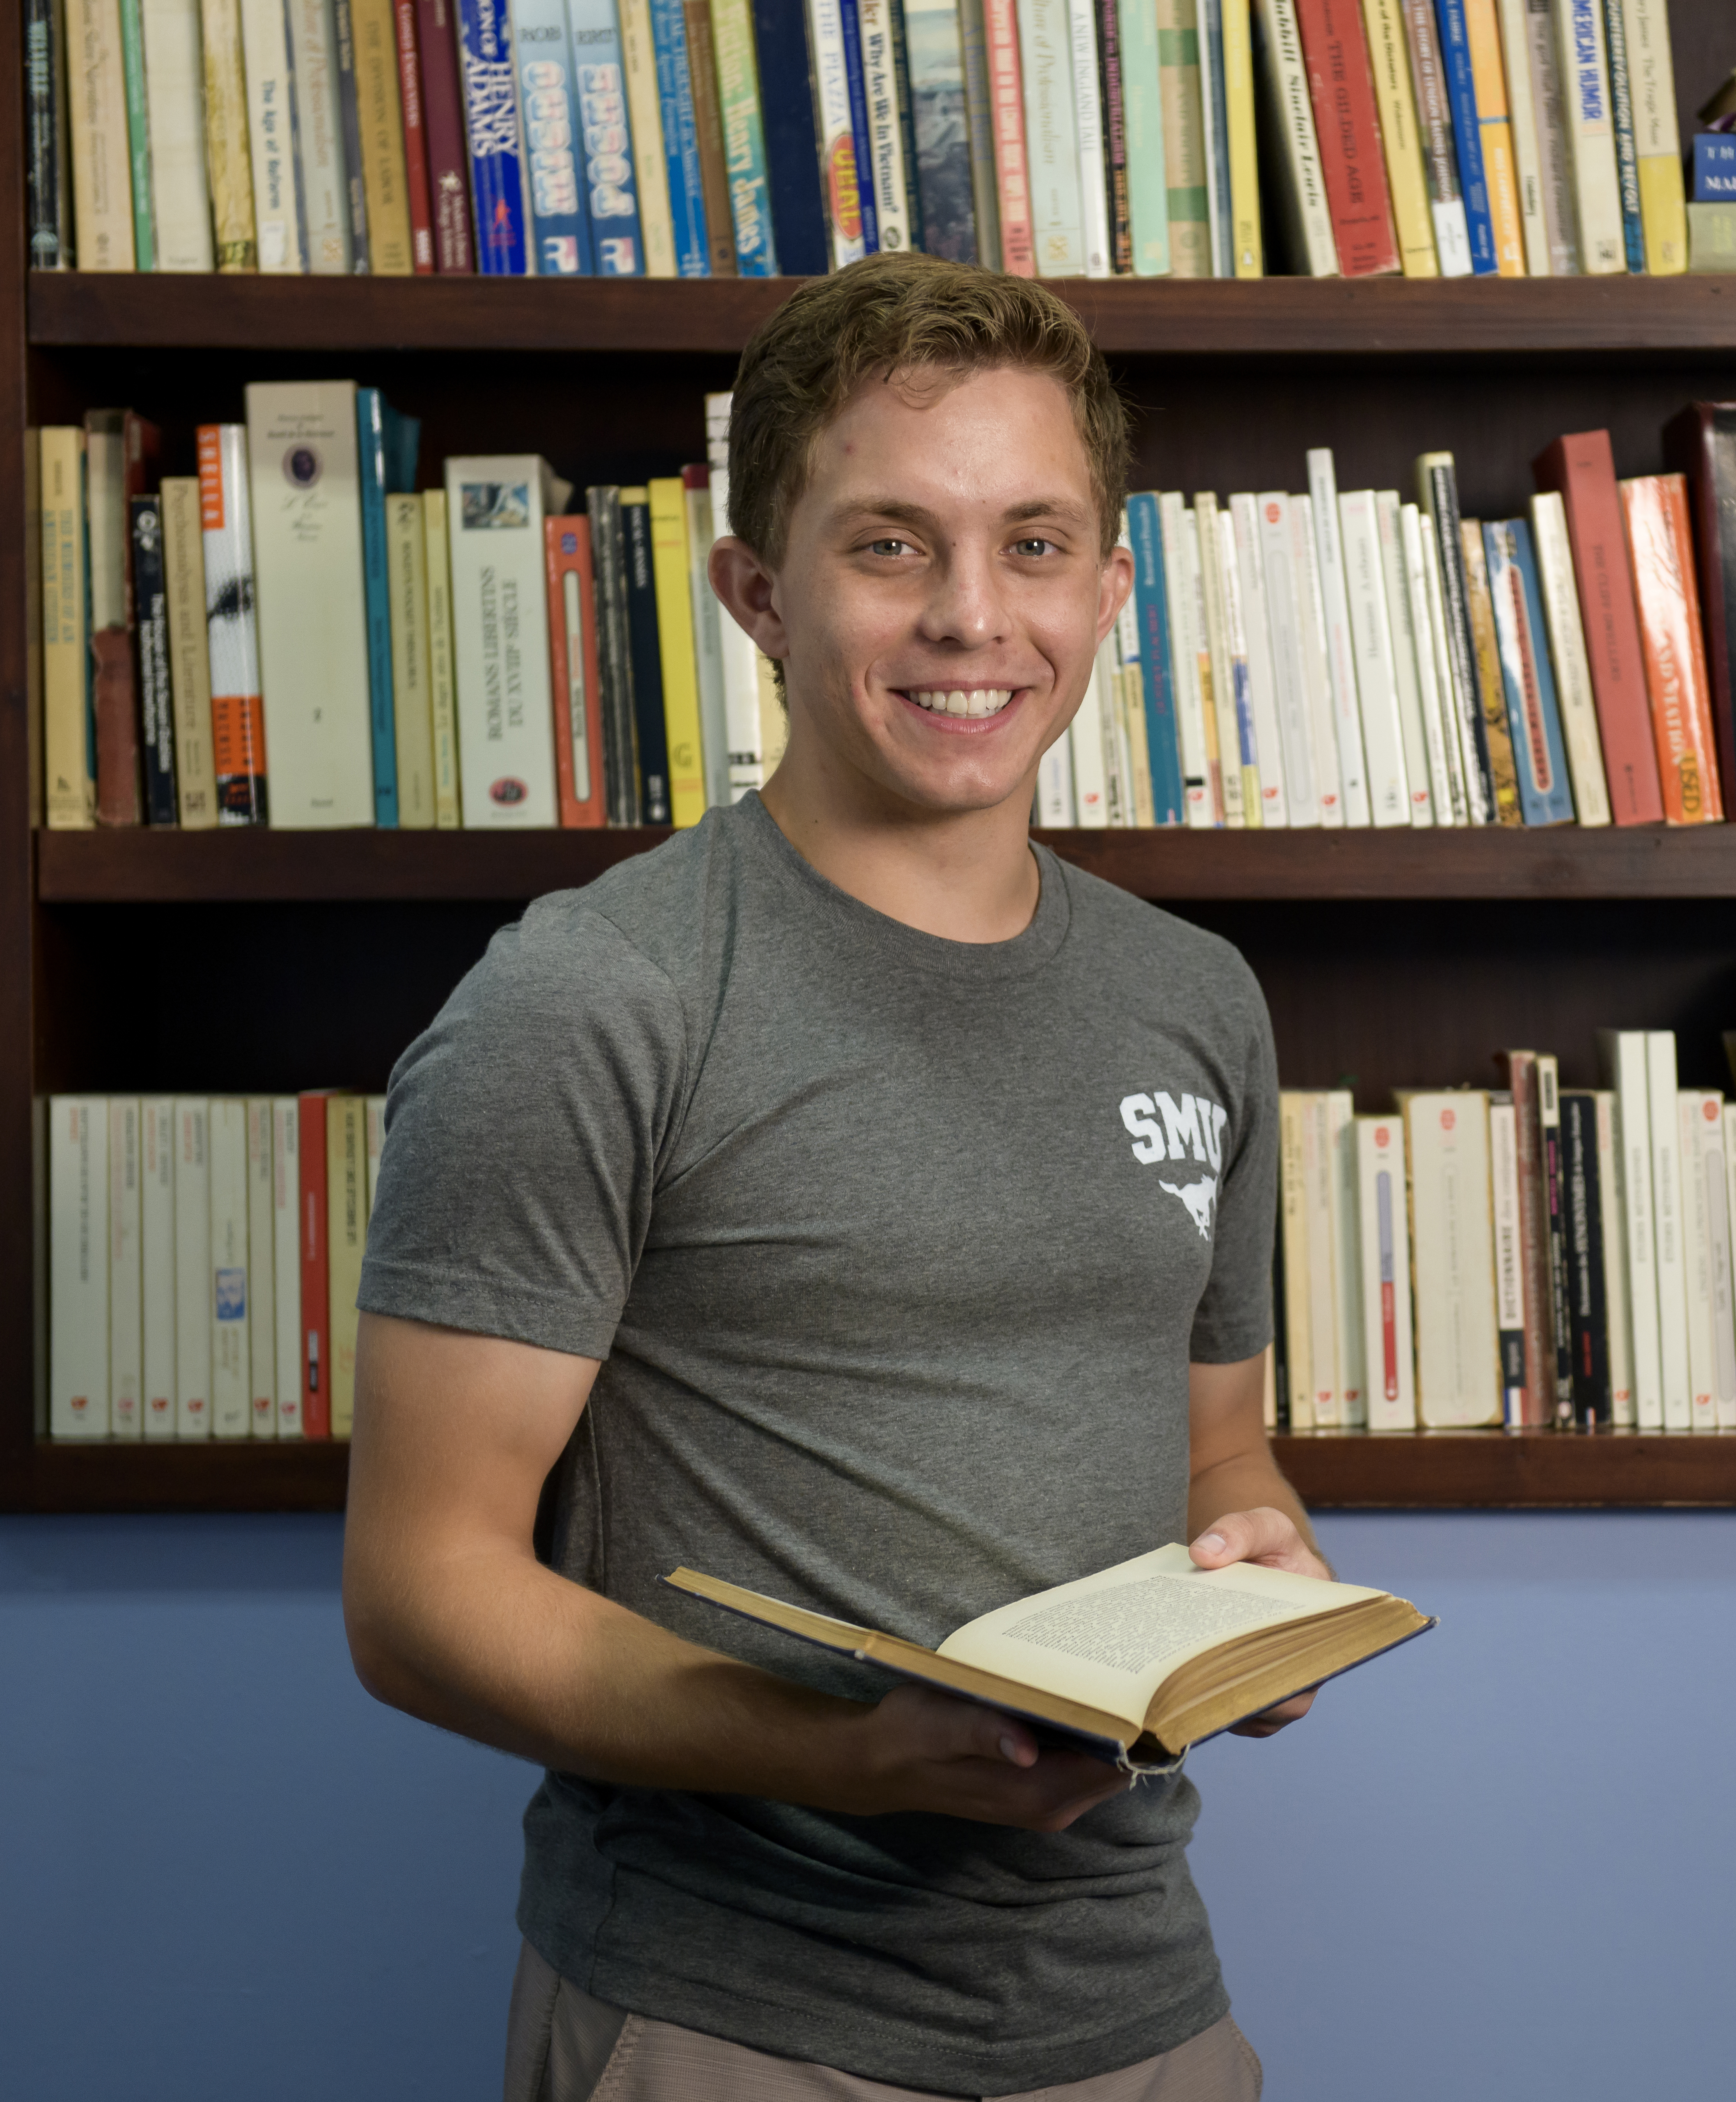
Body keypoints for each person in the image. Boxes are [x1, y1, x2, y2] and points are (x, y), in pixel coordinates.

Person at [342, 250, 1329, 2102]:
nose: (975, 615)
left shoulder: (1199, 1001)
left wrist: (1256, 1571)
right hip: (733, 2020)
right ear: (756, 594)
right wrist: (833, 1749)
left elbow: (1215, 1444)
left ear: (1110, 589)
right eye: (892, 544)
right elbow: (417, 1591)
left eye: (1034, 544)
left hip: (1142, 2010)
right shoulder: (597, 996)